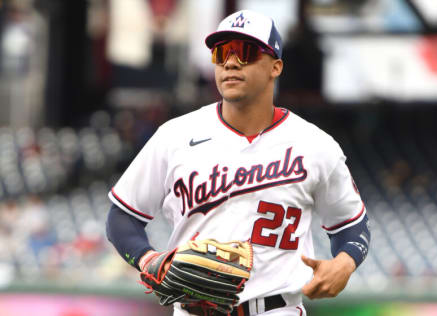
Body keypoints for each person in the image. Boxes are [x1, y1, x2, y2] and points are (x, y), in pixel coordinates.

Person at [105, 9, 370, 316]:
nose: (230, 62)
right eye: (221, 53)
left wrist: (344, 263)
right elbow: (121, 217)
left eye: (245, 52)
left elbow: (352, 225)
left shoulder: (315, 146)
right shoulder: (175, 136)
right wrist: (147, 259)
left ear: (275, 66)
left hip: (276, 309)